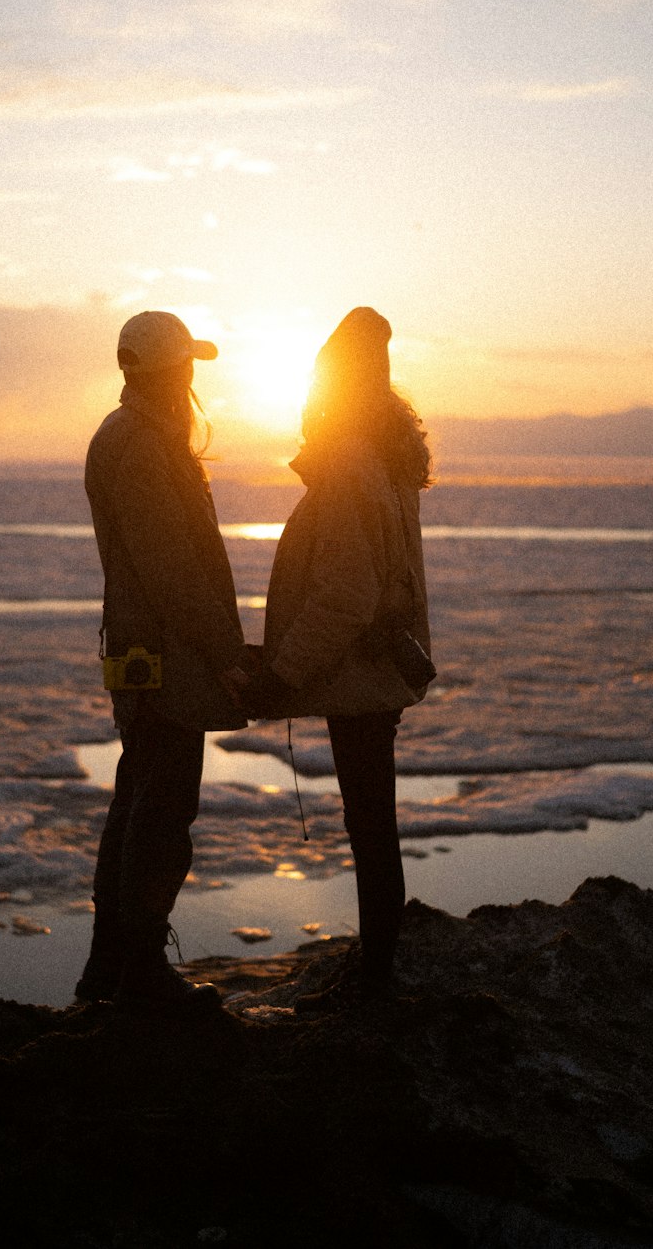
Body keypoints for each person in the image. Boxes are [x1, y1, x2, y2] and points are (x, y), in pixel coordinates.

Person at [245, 307, 433, 1008]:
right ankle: (377, 965)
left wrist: (281, 674)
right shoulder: (387, 454)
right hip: (374, 674)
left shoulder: (353, 459)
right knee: (373, 822)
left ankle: (377, 978)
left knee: (371, 824)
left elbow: (347, 594)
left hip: (360, 675)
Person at [76, 311, 249, 1011]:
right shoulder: (143, 447)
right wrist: (227, 656)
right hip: (162, 658)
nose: (192, 379)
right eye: (186, 367)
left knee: (139, 798)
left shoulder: (131, 436)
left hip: (141, 650)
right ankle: (137, 970)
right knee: (161, 808)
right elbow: (172, 571)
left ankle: (109, 968)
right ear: (168, 372)